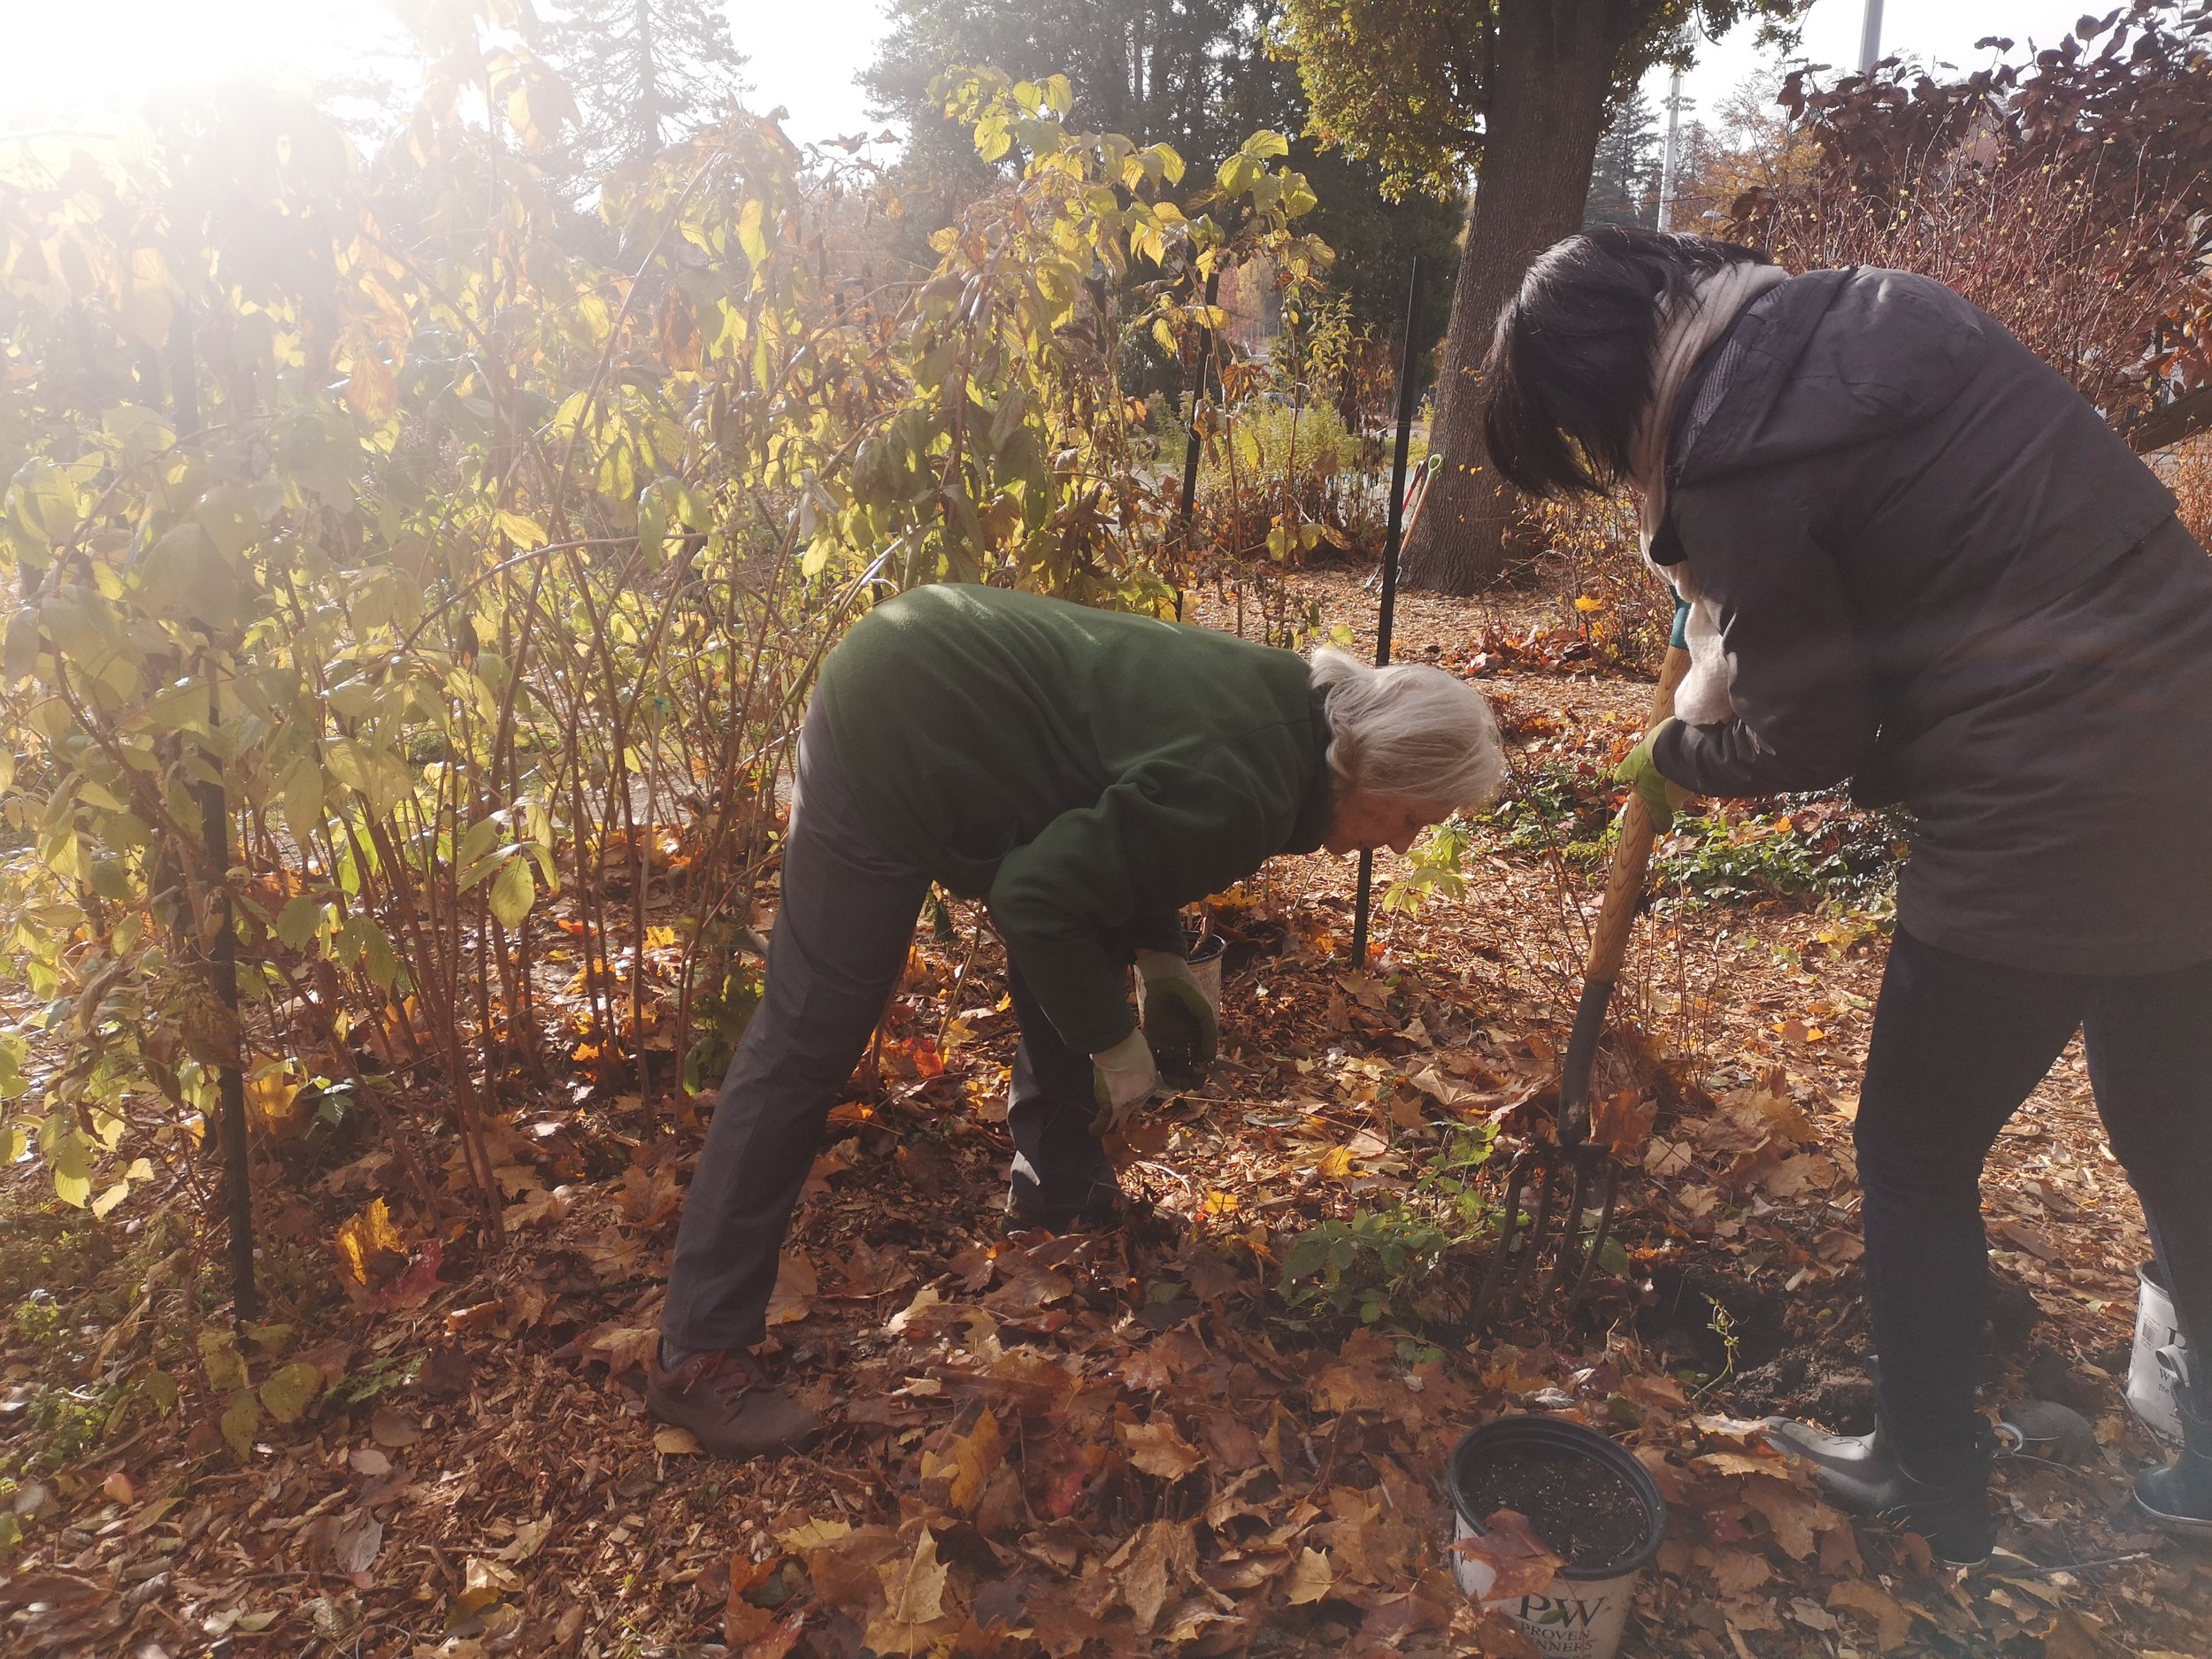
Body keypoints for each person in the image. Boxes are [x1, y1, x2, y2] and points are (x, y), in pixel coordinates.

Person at [1481, 226, 2212, 1563]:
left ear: (1603, 398)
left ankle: (1931, 1476)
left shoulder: (1737, 460)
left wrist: (1675, 749)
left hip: (2039, 805)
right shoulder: (1881, 311)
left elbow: (1805, 733)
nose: (1605, 471)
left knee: (1915, 1150)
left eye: (1586, 444)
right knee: (2178, 1128)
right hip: (2195, 742)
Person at [649, 582, 1505, 1459]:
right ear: (1376, 769)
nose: (1401, 845)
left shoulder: (1301, 715)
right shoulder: (1248, 782)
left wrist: (1162, 949)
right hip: (900, 717)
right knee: (812, 1031)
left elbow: (1119, 822)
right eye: (1410, 820)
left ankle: (1058, 1193)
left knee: (1075, 939)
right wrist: (1116, 1046)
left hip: (950, 690)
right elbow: (1037, 898)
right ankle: (698, 1349)